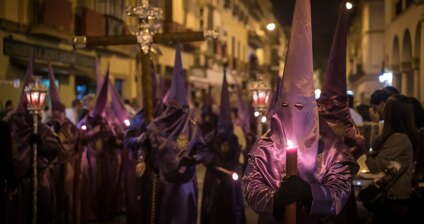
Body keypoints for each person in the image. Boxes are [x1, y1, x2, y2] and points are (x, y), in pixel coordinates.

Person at [242, 0, 358, 223]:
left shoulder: (331, 148)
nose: (293, 115)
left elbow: (340, 190)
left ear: (312, 111)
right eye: (286, 107)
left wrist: (309, 194)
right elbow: (251, 187)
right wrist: (275, 199)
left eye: (300, 108)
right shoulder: (264, 147)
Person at [201, 67, 246, 224]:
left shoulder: (233, 138)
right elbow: (201, 150)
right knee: (213, 211)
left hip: (228, 182)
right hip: (214, 181)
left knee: (230, 210)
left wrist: (233, 167)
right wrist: (209, 159)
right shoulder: (211, 137)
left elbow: (237, 153)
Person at [365, 94, 417, 223]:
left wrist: (367, 155)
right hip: (395, 198)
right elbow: (376, 145)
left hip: (395, 200)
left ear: (391, 114)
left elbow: (375, 166)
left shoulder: (399, 138)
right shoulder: (400, 136)